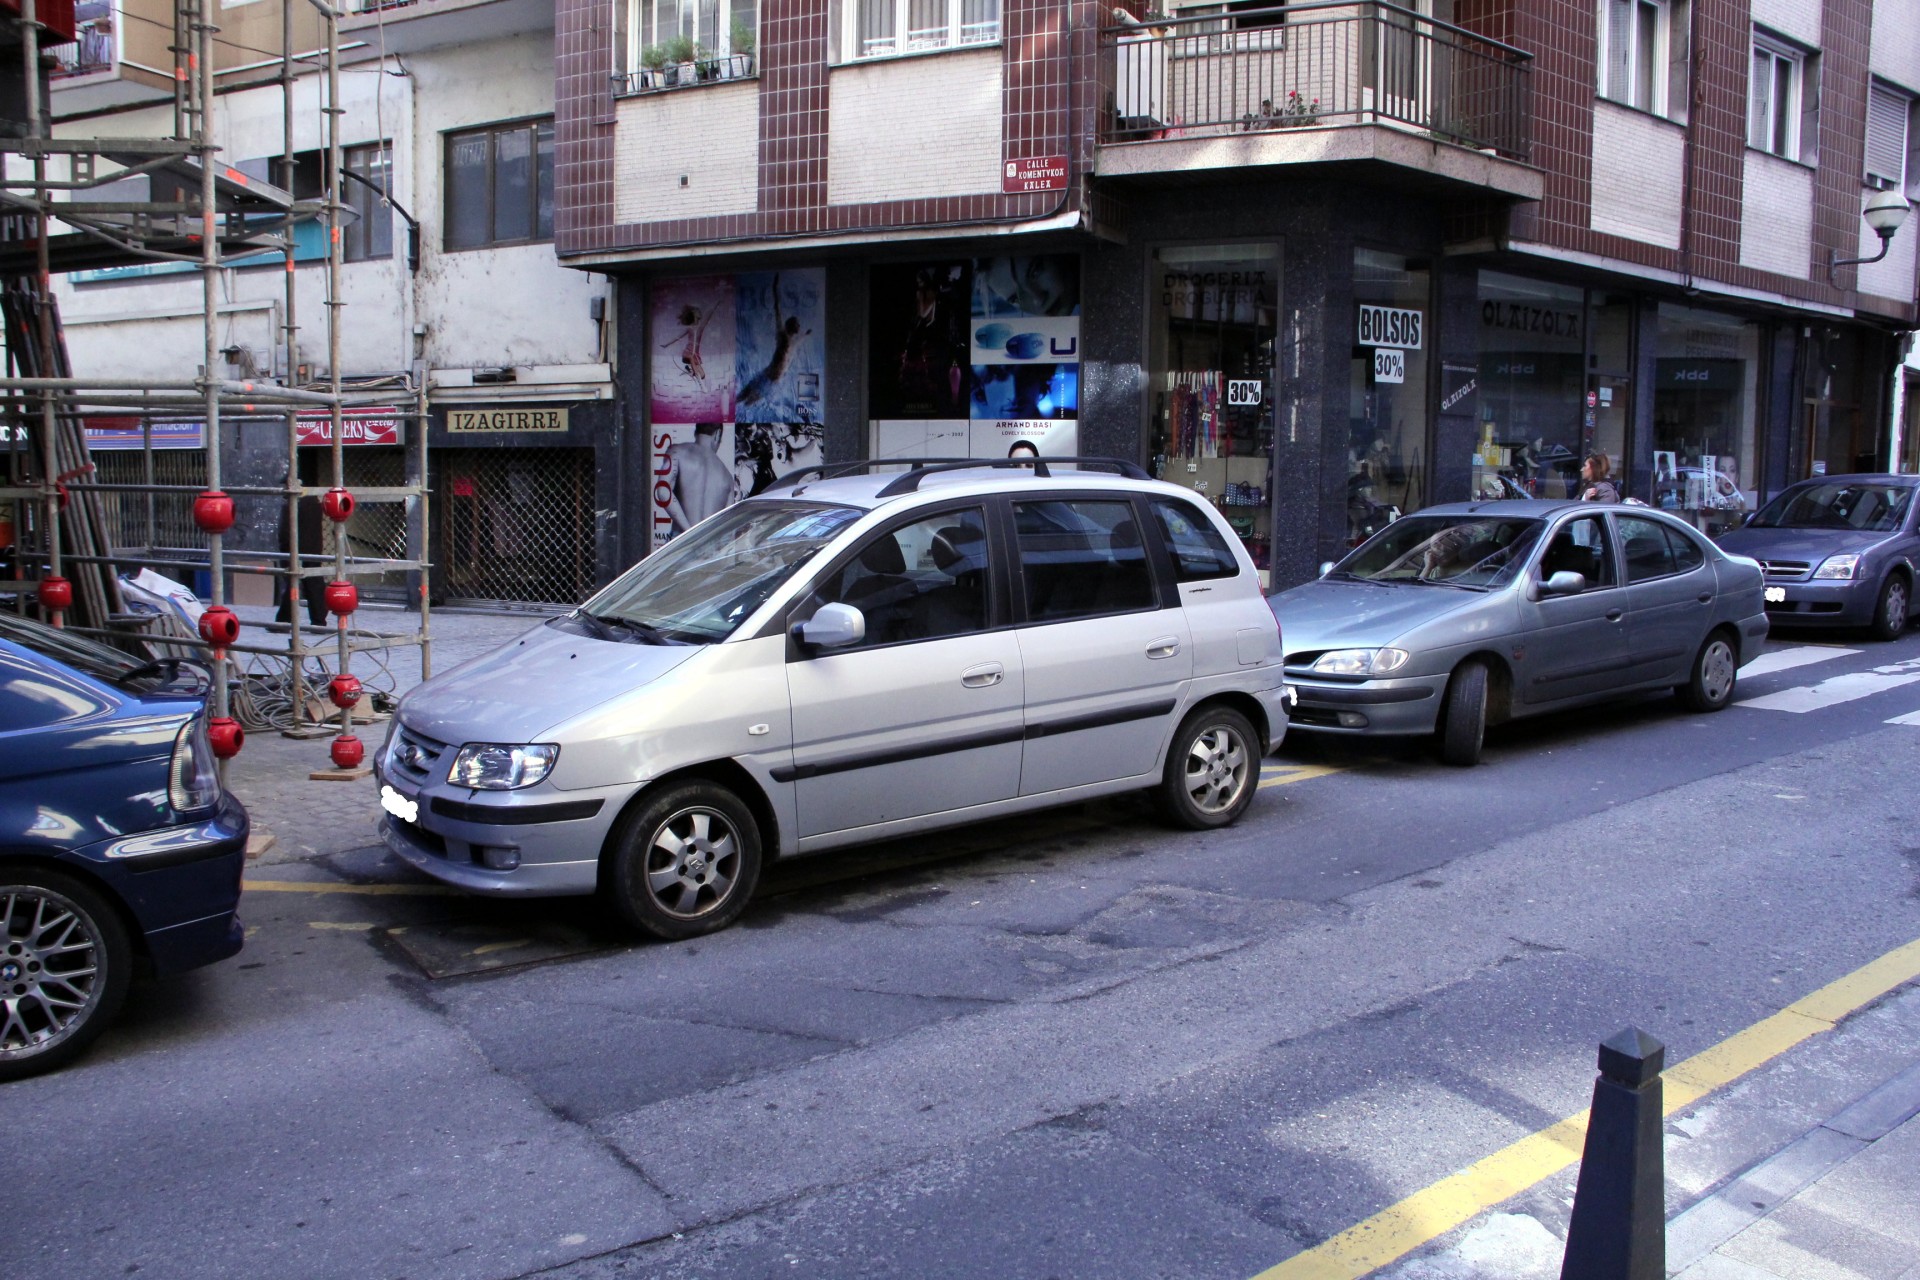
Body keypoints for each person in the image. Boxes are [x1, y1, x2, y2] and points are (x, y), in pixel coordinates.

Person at [665, 423, 738, 534]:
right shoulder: (727, 477)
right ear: (718, 434)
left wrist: (688, 531)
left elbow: (663, 492)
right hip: (709, 547)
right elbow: (729, 529)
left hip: (680, 543)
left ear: (695, 432)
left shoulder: (677, 451)